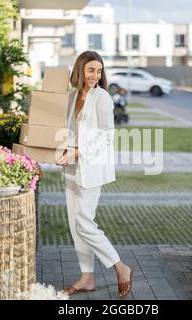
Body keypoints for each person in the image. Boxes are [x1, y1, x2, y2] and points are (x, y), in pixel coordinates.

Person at [56, 51, 133, 298]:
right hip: (71, 168)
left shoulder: (103, 98)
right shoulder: (71, 97)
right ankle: (87, 278)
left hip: (91, 168)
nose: (95, 76)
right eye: (91, 70)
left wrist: (78, 152)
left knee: (84, 223)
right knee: (74, 225)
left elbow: (107, 136)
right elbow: (67, 131)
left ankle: (121, 267)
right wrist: (61, 151)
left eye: (99, 71)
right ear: (80, 70)